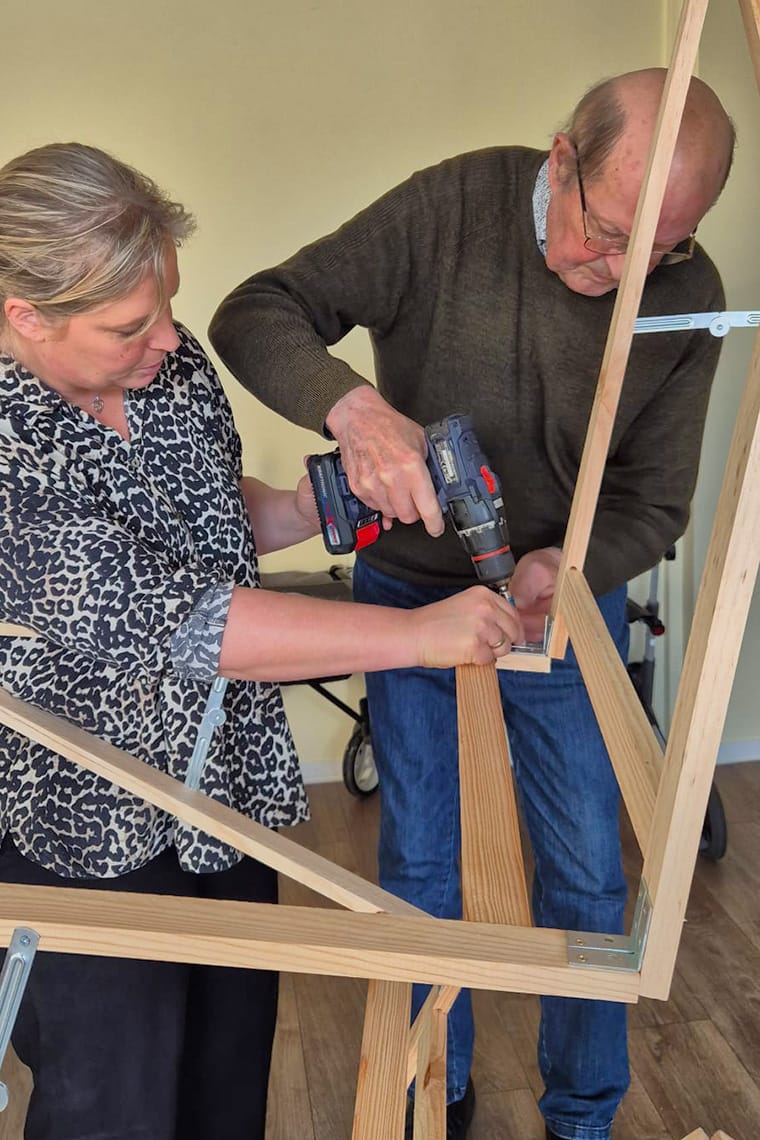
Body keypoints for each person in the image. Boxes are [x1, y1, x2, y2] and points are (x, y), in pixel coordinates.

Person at [208, 68, 736, 1140]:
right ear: (561, 158)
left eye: (660, 249)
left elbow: (655, 502)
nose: (621, 273)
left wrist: (565, 569)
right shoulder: (452, 208)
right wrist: (353, 410)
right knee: (421, 864)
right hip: (408, 598)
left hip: (561, 606)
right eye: (607, 234)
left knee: (586, 871)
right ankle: (429, 1095)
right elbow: (253, 311)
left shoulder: (690, 293)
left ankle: (582, 1114)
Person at [0, 142, 522, 1140]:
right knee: (112, 1107)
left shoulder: (168, 367)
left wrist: (302, 509)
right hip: (85, 826)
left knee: (228, 1085)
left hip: (222, 794)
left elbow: (199, 524)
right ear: (28, 317)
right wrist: (417, 635)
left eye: (167, 306)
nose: (167, 339)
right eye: (128, 327)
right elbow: (184, 618)